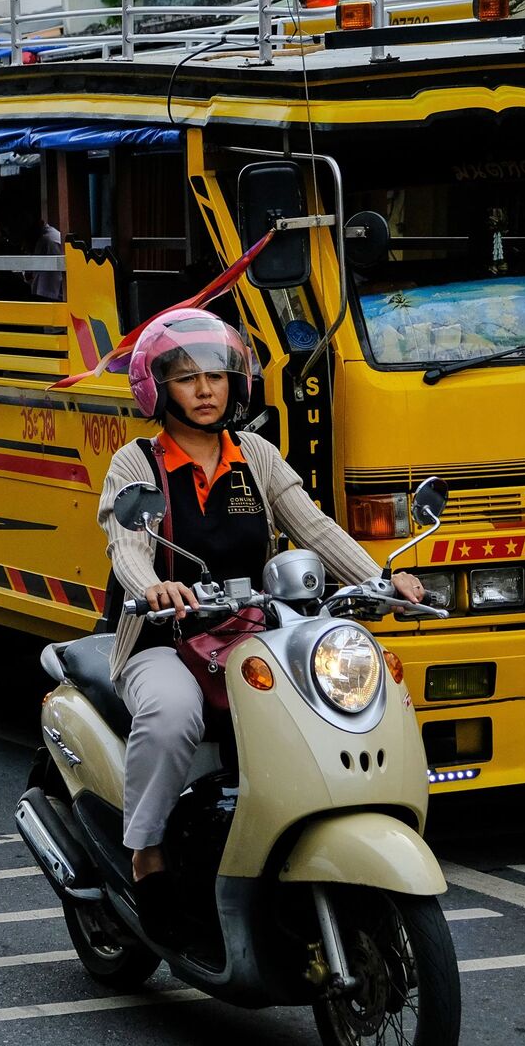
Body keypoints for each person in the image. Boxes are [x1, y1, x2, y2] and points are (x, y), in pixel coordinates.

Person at [97, 308, 424, 938]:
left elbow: (316, 527)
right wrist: (155, 589)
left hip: (252, 636)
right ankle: (147, 853)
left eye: (216, 377)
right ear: (156, 387)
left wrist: (381, 578)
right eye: (186, 378)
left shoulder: (257, 456)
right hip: (164, 639)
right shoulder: (136, 464)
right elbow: (126, 547)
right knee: (172, 714)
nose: (204, 390)